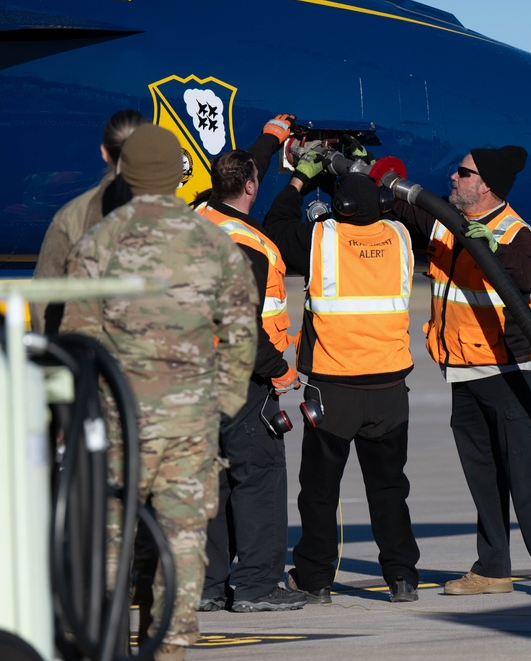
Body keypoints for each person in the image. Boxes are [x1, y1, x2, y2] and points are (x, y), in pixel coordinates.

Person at [61, 124, 258, 661]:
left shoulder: (98, 240)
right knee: (180, 543)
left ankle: (98, 642)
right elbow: (243, 332)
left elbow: (78, 337)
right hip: (190, 425)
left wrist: (96, 408)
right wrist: (219, 402)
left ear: (125, 174)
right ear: (177, 175)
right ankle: (168, 647)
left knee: (106, 542)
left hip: (116, 423)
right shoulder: (212, 242)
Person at [392, 145, 531, 596]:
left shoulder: (513, 232)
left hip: (505, 371)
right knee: (483, 477)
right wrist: (370, 171)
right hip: (461, 371)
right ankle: (492, 570)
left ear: (486, 185)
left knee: (527, 473)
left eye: (463, 173)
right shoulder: (448, 223)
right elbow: (401, 206)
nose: (453, 178)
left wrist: (497, 251)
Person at [263, 151, 421, 604]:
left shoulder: (320, 239)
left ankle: (314, 579)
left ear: (337, 210)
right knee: (390, 487)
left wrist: (298, 183)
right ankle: (402, 576)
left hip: (334, 388)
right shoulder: (400, 236)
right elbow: (390, 211)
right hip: (390, 389)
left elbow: (274, 229)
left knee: (319, 491)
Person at [195, 116, 307, 613]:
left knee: (212, 483)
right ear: (250, 187)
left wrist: (272, 136)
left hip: (193, 376)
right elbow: (240, 322)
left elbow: (242, 171)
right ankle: (259, 585)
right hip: (242, 377)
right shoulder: (249, 245)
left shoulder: (198, 214)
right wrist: (280, 370)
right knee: (258, 478)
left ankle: (207, 586)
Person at [31, 109, 148, 334]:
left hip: (91, 360)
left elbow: (44, 300)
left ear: (104, 153)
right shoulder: (181, 219)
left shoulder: (71, 216)